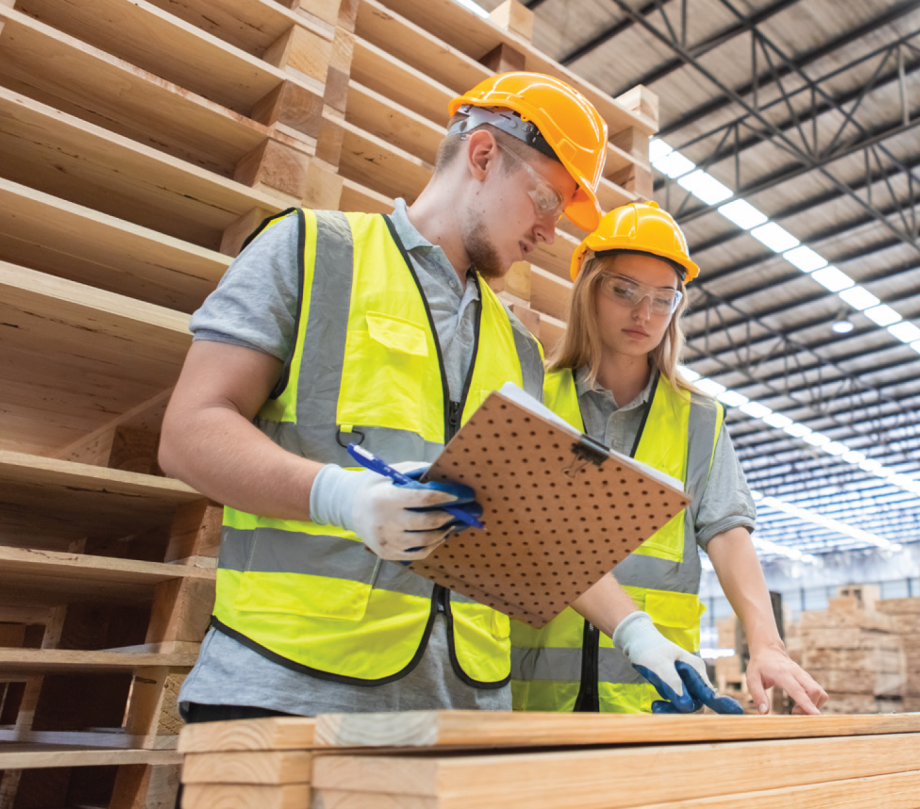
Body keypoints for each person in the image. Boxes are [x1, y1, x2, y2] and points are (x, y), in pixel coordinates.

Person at [157, 71, 610, 722]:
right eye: (546, 199)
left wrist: (632, 631)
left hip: (461, 707)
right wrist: (341, 497)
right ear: (482, 155)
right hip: (289, 691)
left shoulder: (519, 345)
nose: (551, 231)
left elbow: (522, 528)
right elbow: (189, 431)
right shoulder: (311, 250)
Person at [510, 201, 829, 715]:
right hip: (533, 698)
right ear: (589, 287)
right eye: (624, 291)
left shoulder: (699, 420)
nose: (644, 314)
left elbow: (728, 535)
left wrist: (766, 643)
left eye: (664, 299)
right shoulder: (533, 397)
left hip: (656, 698)